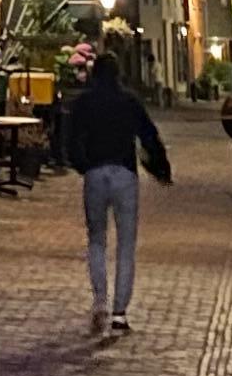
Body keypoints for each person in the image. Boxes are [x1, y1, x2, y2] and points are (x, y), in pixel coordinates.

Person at [61, 40, 171, 339]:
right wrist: (161, 169)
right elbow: (149, 135)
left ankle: (100, 301)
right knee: (125, 245)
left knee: (96, 240)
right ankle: (120, 313)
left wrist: (82, 164)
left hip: (95, 173)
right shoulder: (129, 101)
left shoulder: (84, 102)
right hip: (124, 173)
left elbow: (69, 138)